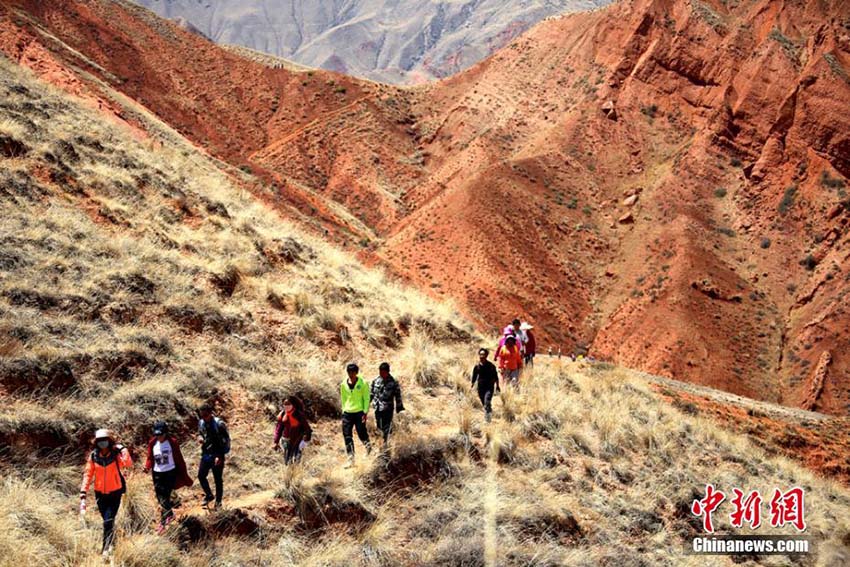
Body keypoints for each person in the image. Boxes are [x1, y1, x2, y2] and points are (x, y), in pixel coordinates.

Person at [80, 428, 133, 558]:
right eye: (100, 441)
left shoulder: (115, 455)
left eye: (105, 440)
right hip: (100, 493)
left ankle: (105, 548)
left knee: (108, 520)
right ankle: (110, 541)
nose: (102, 443)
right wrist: (83, 492)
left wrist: (123, 449)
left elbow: (127, 463)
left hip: (115, 492)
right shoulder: (93, 456)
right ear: (96, 442)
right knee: (107, 521)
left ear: (109, 441)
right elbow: (88, 474)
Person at [143, 421, 193, 534]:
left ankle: (163, 522)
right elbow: (150, 458)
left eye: (161, 434)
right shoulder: (152, 443)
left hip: (170, 472)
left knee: (165, 497)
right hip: (157, 473)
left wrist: (184, 475)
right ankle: (169, 515)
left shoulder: (172, 442)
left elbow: (179, 458)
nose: (159, 437)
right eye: (157, 435)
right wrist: (147, 467)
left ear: (166, 433)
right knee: (160, 497)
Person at [197, 404, 230, 509]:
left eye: (205, 415)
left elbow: (225, 441)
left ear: (210, 413)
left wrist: (219, 456)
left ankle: (218, 502)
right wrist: (200, 438)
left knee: (217, 479)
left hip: (217, 454)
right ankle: (209, 495)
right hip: (206, 453)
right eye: (201, 415)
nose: (203, 417)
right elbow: (200, 433)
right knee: (201, 475)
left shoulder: (219, 424)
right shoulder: (202, 423)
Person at [340, 363, 371, 466]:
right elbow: (343, 398)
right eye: (349, 372)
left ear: (356, 373)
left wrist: (365, 412)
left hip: (359, 412)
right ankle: (351, 458)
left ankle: (368, 448)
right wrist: (344, 410)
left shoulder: (363, 383)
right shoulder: (343, 384)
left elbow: (366, 398)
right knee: (347, 435)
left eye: (353, 372)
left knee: (361, 432)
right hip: (347, 413)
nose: (351, 374)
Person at [370, 362, 405, 445]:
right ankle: (380, 441)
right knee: (379, 426)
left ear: (388, 371)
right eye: (380, 372)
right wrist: (366, 405)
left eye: (383, 372)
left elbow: (398, 395)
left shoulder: (393, 382)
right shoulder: (375, 381)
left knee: (386, 427)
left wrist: (399, 407)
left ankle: (386, 443)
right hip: (377, 407)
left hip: (387, 408)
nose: (381, 374)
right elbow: (371, 394)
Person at [273, 396, 312, 464]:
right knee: (287, 460)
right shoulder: (282, 414)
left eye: (289, 404)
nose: (286, 406)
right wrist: (276, 442)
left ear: (293, 405)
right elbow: (279, 429)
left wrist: (305, 441)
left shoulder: (298, 415)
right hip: (285, 440)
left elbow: (307, 429)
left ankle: (297, 473)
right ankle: (289, 473)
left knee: (296, 459)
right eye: (285, 404)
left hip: (297, 440)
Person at [471, 348, 500, 422]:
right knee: (484, 403)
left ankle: (488, 420)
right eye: (480, 354)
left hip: (489, 387)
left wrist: (497, 386)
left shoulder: (491, 366)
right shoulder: (477, 366)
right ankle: (489, 411)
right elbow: (474, 376)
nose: (481, 356)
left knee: (487, 401)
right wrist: (472, 385)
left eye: (483, 354)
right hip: (480, 388)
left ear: (486, 356)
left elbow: (495, 376)